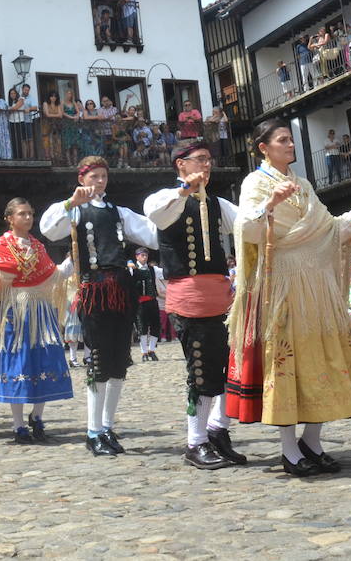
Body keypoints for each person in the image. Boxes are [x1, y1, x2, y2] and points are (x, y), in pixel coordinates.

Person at [225, 119, 351, 476]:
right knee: (287, 363)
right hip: (283, 283)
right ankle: (289, 450)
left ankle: (313, 441)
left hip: (316, 283)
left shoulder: (303, 184)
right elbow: (246, 229)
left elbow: (329, 229)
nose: (291, 146)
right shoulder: (256, 183)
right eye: (283, 140)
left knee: (321, 359)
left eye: (291, 140)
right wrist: (270, 206)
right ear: (264, 147)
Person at [41, 156, 159, 457]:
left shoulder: (118, 212)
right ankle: (93, 431)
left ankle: (107, 426)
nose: (100, 181)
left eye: (103, 176)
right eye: (94, 176)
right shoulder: (75, 210)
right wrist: (70, 202)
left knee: (119, 361)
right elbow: (48, 229)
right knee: (97, 360)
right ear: (82, 179)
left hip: (121, 288)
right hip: (95, 290)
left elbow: (151, 233)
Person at [142, 143, 244, 470]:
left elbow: (247, 225)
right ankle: (195, 442)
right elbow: (158, 214)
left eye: (210, 159)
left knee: (230, 365)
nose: (207, 164)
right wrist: (185, 190)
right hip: (188, 296)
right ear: (181, 165)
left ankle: (218, 429)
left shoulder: (217, 203)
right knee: (201, 370)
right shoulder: (165, 197)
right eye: (200, 159)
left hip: (221, 296)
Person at [0, 198, 73, 444]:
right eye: (22, 214)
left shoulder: (38, 246)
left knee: (44, 360)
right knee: (18, 364)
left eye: (30, 213)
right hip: (13, 313)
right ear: (10, 218)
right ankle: (18, 425)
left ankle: (37, 416)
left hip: (40, 311)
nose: (28, 218)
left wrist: (72, 259)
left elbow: (55, 276)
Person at [130, 249, 163, 362]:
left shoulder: (153, 269)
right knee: (142, 327)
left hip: (152, 301)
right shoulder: (132, 269)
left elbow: (164, 272)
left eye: (146, 255)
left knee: (156, 325)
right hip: (140, 303)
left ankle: (152, 350)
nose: (144, 257)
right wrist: (128, 263)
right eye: (142, 255)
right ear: (137, 256)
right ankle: (144, 352)